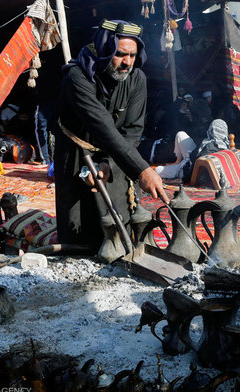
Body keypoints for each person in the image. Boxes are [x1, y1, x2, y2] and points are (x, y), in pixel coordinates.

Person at [55, 20, 167, 256]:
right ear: (105, 49)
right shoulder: (78, 77)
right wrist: (143, 170)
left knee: (121, 222)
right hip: (77, 153)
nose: (127, 62)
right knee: (79, 232)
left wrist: (109, 164)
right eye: (120, 54)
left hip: (117, 156)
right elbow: (102, 127)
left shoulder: (137, 79)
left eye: (132, 56)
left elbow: (133, 131)